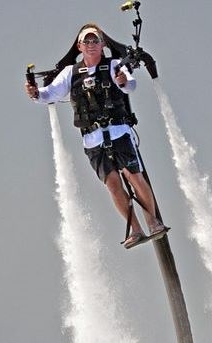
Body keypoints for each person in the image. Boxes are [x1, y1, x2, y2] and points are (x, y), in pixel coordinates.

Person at [24, 23, 166, 249]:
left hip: (118, 132)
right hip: (92, 140)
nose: (91, 45)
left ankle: (153, 221)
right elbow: (49, 94)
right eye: (86, 41)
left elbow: (130, 84)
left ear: (102, 45)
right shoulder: (70, 73)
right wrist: (34, 93)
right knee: (112, 184)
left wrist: (122, 81)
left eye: (95, 41)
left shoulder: (113, 65)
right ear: (79, 46)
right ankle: (136, 229)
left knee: (134, 176)